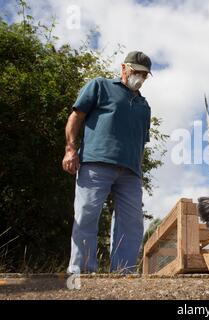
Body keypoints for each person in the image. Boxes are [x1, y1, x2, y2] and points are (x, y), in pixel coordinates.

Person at [62, 51, 152, 273]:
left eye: (144, 74)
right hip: (96, 163)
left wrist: (139, 170)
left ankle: (123, 272)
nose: (139, 77)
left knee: (131, 224)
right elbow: (76, 117)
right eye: (135, 71)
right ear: (123, 68)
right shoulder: (100, 86)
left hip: (131, 173)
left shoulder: (144, 106)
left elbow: (141, 141)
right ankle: (82, 271)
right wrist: (71, 150)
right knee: (86, 215)